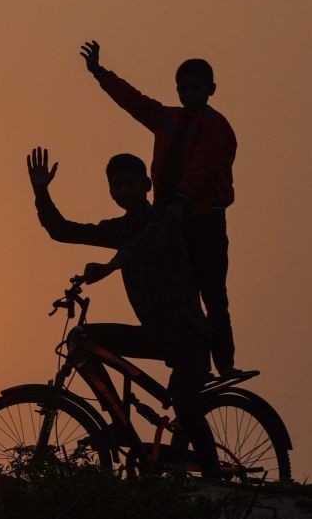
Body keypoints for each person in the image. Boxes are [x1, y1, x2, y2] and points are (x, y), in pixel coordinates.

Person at [26, 146, 221, 478]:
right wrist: (41, 192)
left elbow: (140, 245)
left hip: (188, 334)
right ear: (111, 193)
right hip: (157, 335)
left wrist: (109, 266)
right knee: (81, 338)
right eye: (118, 185)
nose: (125, 190)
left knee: (186, 407)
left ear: (147, 185)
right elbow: (64, 231)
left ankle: (215, 479)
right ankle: (119, 422)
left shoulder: (165, 217)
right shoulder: (120, 228)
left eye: (132, 183)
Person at [79, 41, 241, 378]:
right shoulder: (168, 119)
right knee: (182, 294)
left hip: (203, 219)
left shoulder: (216, 126)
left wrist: (181, 199)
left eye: (195, 88)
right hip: (169, 220)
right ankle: (196, 365)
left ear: (211, 89)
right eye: (183, 88)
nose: (189, 94)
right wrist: (101, 74)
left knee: (212, 292)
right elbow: (134, 102)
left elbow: (202, 165)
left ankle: (224, 363)